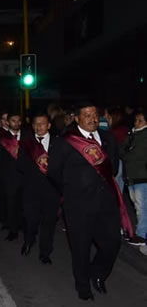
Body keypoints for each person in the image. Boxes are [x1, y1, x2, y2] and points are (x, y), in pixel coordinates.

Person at [48, 102, 132, 301]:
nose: (93, 119)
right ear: (77, 118)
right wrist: (72, 190)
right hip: (78, 205)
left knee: (112, 243)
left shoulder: (108, 138)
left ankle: (98, 273)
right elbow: (53, 172)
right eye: (87, 115)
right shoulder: (66, 141)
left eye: (95, 115)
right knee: (80, 247)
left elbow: (112, 168)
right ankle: (83, 285)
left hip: (106, 203)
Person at [17, 112, 59, 264]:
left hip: (51, 190)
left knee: (48, 223)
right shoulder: (26, 143)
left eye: (42, 123)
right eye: (36, 123)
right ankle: (28, 241)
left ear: (49, 125)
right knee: (30, 220)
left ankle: (45, 252)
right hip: (31, 189)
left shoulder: (58, 143)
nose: (38, 126)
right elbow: (20, 165)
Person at [0, 110, 23, 241]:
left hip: (25, 177)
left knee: (23, 204)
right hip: (9, 178)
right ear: (8, 122)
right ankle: (12, 229)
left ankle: (23, 225)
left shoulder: (27, 137)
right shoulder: (1, 139)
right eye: (13, 121)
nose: (16, 123)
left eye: (18, 121)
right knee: (11, 204)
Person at [120, 109, 147, 244]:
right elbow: (122, 150)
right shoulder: (132, 135)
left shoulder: (144, 136)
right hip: (131, 176)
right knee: (137, 205)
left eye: (140, 120)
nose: (136, 123)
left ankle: (142, 234)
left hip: (142, 176)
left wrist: (127, 154)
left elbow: (135, 155)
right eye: (136, 120)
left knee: (141, 206)